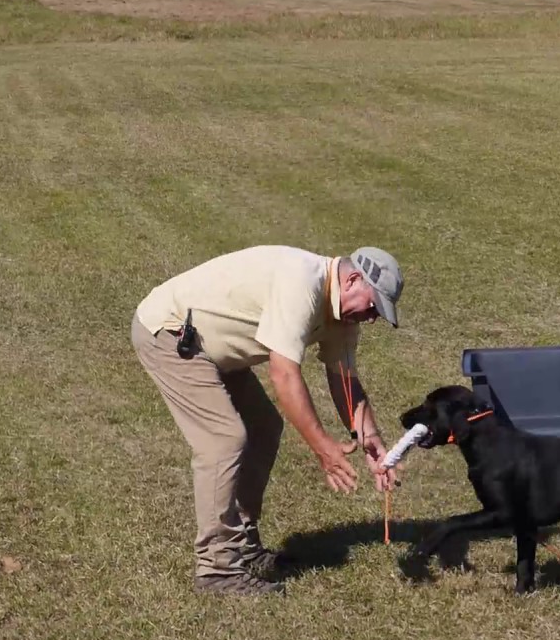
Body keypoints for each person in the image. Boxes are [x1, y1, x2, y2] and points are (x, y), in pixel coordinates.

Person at [131, 245, 405, 595]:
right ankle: (218, 569)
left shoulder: (343, 315)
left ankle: (243, 545)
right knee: (223, 439)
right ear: (352, 279)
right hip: (171, 334)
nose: (372, 317)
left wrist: (370, 439)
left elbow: (345, 380)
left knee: (263, 427)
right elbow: (284, 376)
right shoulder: (303, 283)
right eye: (373, 306)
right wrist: (323, 448)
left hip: (214, 348)